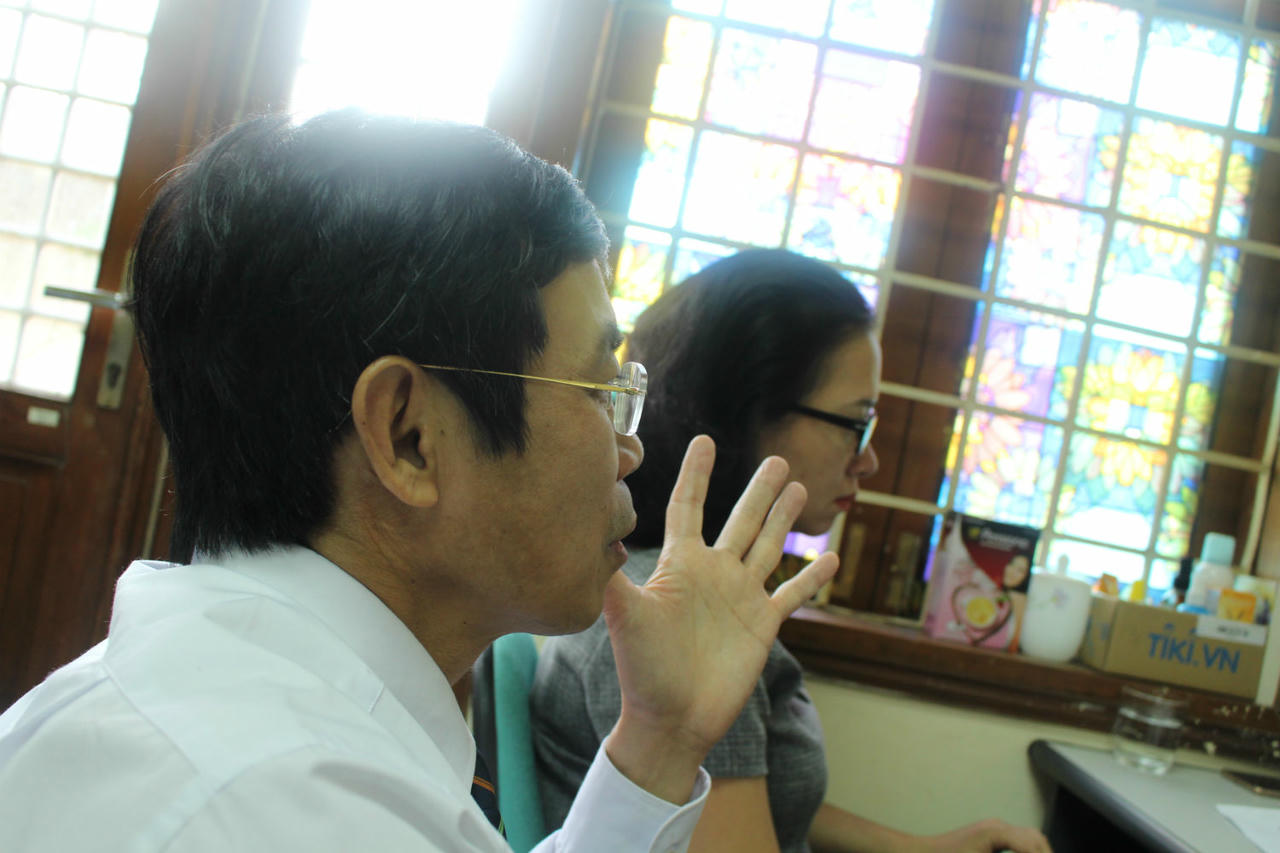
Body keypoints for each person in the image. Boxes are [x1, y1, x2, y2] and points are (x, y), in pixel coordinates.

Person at [0, 113, 838, 852]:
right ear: (408, 435)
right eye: (598, 389)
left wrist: (660, 742)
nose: (629, 447)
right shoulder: (295, 810)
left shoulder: (234, 712)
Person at [530, 249, 1052, 853]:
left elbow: (760, 795)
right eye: (856, 423)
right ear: (749, 412)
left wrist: (922, 849)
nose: (869, 459)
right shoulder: (670, 622)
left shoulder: (687, 595)